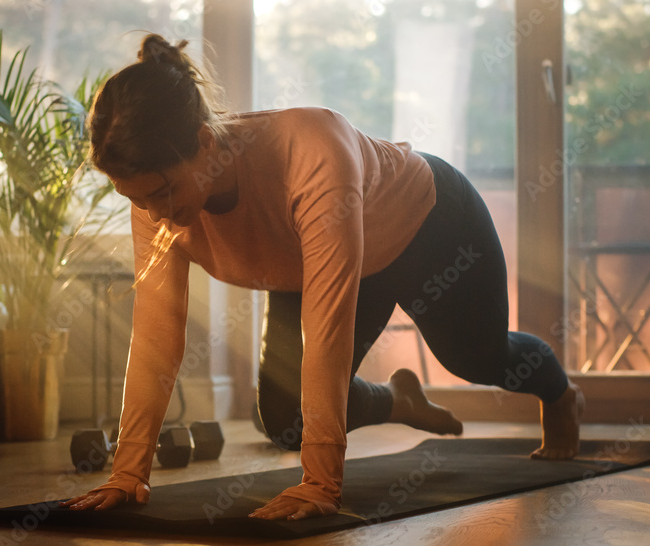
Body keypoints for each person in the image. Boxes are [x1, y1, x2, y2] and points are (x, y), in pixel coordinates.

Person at [60, 34, 585, 521]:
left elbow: (326, 330)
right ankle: (398, 400)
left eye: (162, 194)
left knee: (478, 359)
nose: (154, 213)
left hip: (429, 227)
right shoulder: (152, 190)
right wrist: (128, 473)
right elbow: (156, 335)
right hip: (306, 254)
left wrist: (321, 483)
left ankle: (560, 395)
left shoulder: (309, 151)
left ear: (203, 142)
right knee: (287, 420)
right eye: (137, 199)